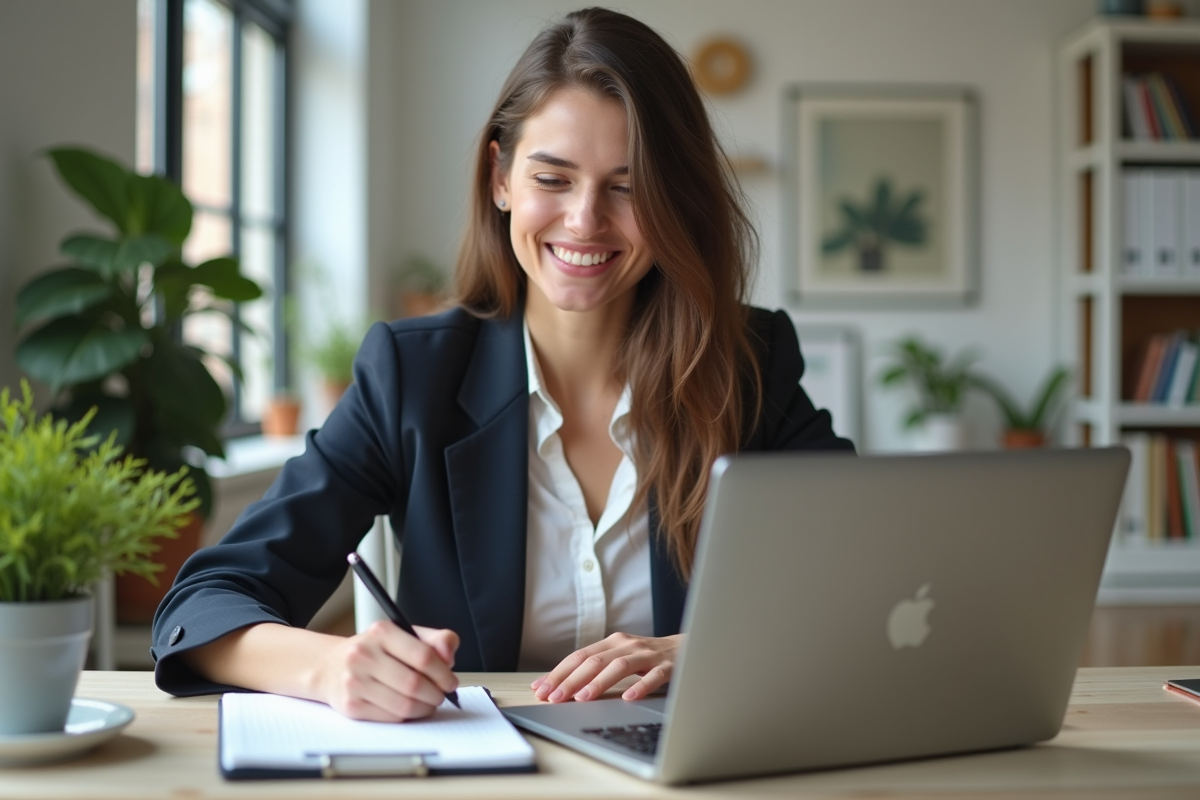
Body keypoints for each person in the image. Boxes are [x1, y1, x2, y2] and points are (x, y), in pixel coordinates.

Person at [151, 6, 854, 722]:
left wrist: (706, 648)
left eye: (627, 186)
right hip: (478, 766)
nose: (584, 221)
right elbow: (202, 606)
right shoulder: (411, 376)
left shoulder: (750, 365)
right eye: (553, 178)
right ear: (501, 177)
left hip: (685, 763)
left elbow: (869, 584)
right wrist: (331, 667)